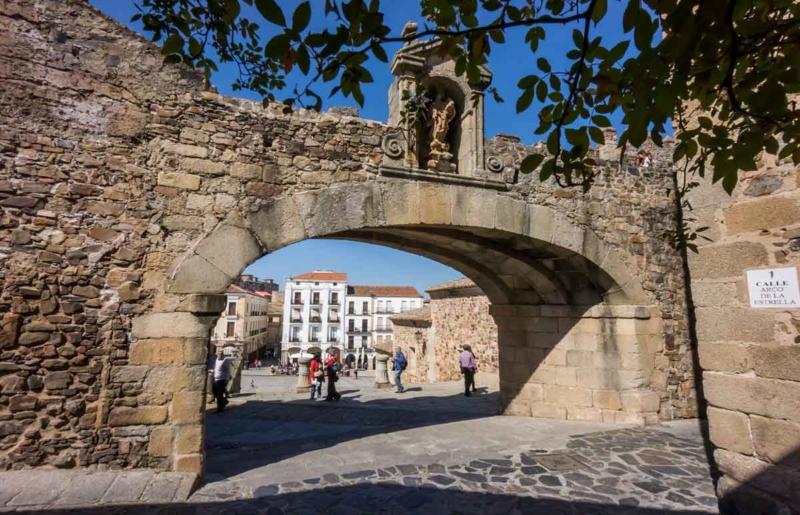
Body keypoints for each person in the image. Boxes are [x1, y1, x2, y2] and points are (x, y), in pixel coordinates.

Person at [212, 348, 233, 413]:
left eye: (221, 354)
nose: (220, 355)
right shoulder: (216, 359)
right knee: (214, 392)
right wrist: (212, 371)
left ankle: (220, 408)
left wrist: (227, 379)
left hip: (222, 379)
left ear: (223, 354)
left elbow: (228, 370)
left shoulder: (225, 360)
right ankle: (224, 401)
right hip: (216, 379)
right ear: (216, 354)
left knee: (219, 394)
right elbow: (216, 368)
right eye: (218, 354)